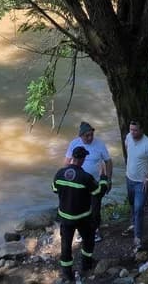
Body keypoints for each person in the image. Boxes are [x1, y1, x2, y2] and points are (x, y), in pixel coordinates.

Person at [53, 145, 99, 282]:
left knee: (66, 245)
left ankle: (67, 273)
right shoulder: (86, 177)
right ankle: (86, 264)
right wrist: (103, 178)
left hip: (65, 217)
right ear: (83, 159)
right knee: (88, 240)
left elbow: (55, 189)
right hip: (83, 218)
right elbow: (97, 192)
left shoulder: (60, 173)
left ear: (72, 158)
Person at [64, 121, 113, 241]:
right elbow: (67, 162)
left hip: (94, 182)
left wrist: (108, 179)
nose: (90, 137)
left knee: (95, 208)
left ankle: (95, 231)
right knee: (79, 208)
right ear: (80, 135)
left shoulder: (99, 144)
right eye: (87, 135)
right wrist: (66, 181)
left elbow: (108, 161)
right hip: (78, 183)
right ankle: (81, 232)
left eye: (91, 134)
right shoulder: (74, 144)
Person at [123, 119, 148, 252]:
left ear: (141, 130)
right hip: (129, 178)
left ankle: (138, 237)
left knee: (139, 208)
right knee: (132, 204)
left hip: (141, 183)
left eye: (135, 130)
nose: (132, 132)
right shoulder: (128, 137)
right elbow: (127, 146)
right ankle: (134, 224)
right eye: (131, 129)